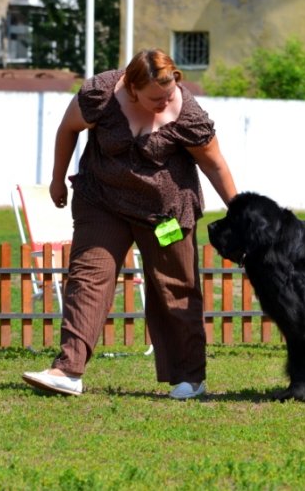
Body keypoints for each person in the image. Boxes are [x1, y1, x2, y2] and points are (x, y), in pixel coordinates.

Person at [23, 49, 238, 399]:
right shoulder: (101, 94)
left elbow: (215, 165)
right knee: (88, 277)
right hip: (102, 200)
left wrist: (239, 209)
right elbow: (68, 129)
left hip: (165, 213)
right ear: (132, 87)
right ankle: (68, 370)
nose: (164, 101)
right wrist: (57, 179)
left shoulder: (188, 112)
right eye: (155, 96)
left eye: (169, 94)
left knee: (176, 288)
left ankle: (189, 377)